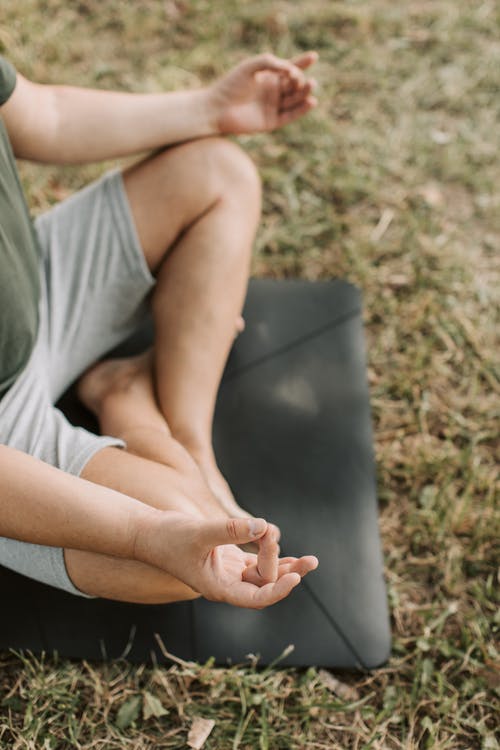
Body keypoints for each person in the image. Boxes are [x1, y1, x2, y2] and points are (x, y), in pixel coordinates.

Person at [0, 49, 319, 609]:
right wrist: (145, 533)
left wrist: (211, 107)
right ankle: (126, 398)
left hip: (35, 287)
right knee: (194, 551)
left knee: (221, 175)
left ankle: (188, 436)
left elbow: (43, 114)